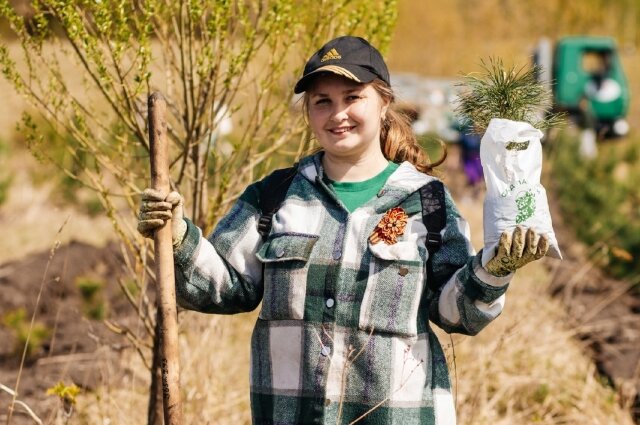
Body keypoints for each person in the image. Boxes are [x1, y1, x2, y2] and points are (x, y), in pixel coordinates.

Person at [137, 35, 549, 425]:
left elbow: (456, 313)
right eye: (322, 102)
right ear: (308, 110)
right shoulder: (275, 195)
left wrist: (494, 270)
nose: (338, 114)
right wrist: (176, 235)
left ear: (384, 102)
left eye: (353, 98)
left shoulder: (427, 202)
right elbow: (224, 287)